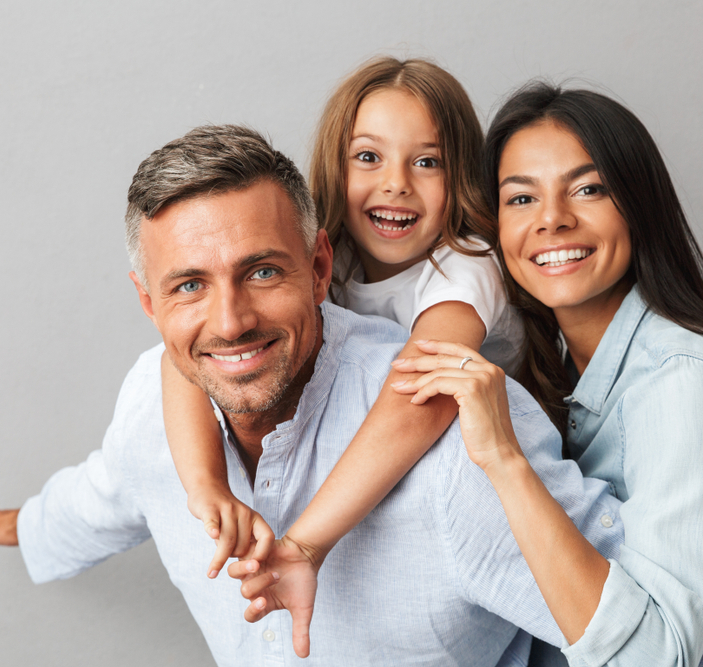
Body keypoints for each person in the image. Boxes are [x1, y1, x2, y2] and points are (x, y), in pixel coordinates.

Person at [0, 123, 703, 666]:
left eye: (262, 271)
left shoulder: (457, 441)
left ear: (320, 264)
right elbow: (100, 492)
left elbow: (696, 635)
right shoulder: (157, 401)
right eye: (188, 286)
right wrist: (22, 525)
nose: (229, 319)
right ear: (148, 302)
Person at [391, 82, 703, 666]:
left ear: (639, 205)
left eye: (588, 189)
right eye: (521, 199)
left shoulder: (683, 382)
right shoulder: (558, 371)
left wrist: (505, 458)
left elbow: (653, 657)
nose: (552, 221)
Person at [160, 57, 523, 582]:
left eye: (427, 162)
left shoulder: (466, 263)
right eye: (369, 157)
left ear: (460, 175)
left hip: (466, 466)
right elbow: (183, 361)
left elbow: (422, 392)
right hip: (362, 446)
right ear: (336, 165)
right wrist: (208, 488)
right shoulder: (328, 254)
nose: (396, 184)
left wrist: (307, 545)